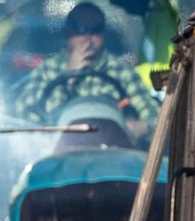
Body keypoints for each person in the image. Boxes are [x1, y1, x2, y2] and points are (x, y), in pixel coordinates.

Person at [12, 2, 159, 140]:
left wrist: (141, 127)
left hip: (111, 155)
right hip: (59, 155)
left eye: (95, 29)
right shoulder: (47, 70)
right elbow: (23, 115)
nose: (88, 38)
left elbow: (153, 116)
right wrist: (69, 74)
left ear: (103, 34)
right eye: (80, 29)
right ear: (67, 33)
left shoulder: (121, 71)